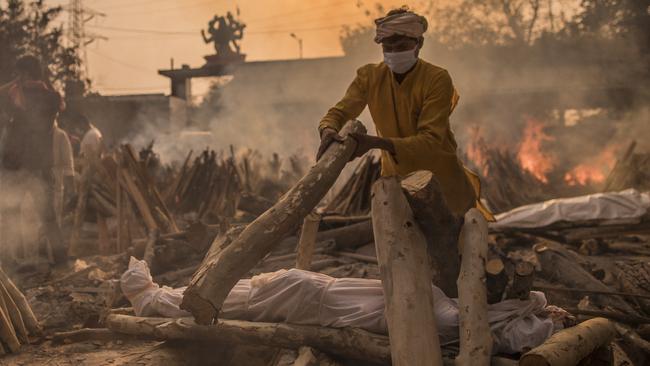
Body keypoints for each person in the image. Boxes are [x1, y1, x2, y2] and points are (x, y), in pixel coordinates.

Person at [317, 7, 492, 219]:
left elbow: (431, 141)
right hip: (397, 187)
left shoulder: (437, 79)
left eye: (401, 47)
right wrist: (328, 129)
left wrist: (375, 143)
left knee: (448, 249)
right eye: (388, 48)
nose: (393, 53)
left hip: (443, 190)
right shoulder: (369, 77)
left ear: (419, 44)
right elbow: (340, 111)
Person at [0, 55, 68, 263]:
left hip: (18, 165)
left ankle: (17, 259)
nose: (17, 78)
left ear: (26, 73)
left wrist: (15, 87)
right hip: (40, 165)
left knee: (12, 211)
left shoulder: (16, 96)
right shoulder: (51, 97)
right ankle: (59, 259)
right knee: (47, 216)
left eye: (20, 73)